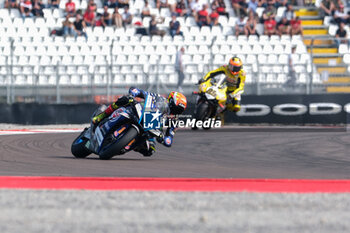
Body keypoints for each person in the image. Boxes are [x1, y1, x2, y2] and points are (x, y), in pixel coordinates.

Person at [92, 87, 187, 157]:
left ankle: (128, 145)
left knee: (150, 150)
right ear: (170, 102)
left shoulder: (174, 121)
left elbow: (169, 139)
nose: (175, 112)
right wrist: (133, 94)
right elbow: (138, 91)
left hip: (150, 130)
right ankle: (102, 115)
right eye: (175, 108)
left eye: (179, 111)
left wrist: (163, 139)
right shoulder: (158, 98)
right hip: (138, 112)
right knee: (125, 100)